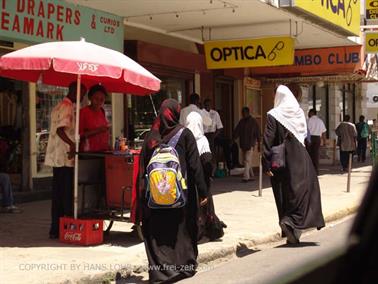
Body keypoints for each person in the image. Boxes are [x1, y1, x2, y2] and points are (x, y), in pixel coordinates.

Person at [136, 99, 208, 283]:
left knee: (157, 233)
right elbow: (195, 167)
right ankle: (183, 266)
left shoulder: (150, 138)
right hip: (180, 198)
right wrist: (203, 192)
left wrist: (140, 199)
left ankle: (160, 272)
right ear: (176, 113)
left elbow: (141, 169)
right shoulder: (185, 134)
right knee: (181, 230)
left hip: (154, 200)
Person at [262, 84, 325, 244]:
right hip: (300, 157)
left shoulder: (273, 114)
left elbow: (268, 138)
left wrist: (265, 162)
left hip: (280, 160)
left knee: (283, 192)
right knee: (304, 191)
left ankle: (288, 222)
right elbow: (305, 136)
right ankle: (292, 225)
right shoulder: (298, 112)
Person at [44, 82, 87, 239]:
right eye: (82, 93)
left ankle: (55, 228)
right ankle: (62, 227)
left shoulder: (59, 105)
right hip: (64, 155)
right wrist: (72, 144)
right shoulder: (67, 107)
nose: (83, 97)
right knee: (65, 193)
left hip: (58, 155)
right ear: (75, 91)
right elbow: (60, 130)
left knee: (58, 194)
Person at [185, 112, 226, 241]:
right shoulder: (202, 140)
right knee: (204, 207)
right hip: (201, 181)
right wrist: (208, 176)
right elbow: (207, 161)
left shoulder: (184, 139)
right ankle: (206, 230)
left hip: (187, 181)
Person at [79, 84, 110, 152]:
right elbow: (79, 135)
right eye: (96, 99)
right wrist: (97, 130)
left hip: (103, 150)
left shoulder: (102, 111)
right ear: (90, 98)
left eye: (102, 99)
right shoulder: (83, 112)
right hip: (89, 152)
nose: (99, 102)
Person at [233, 107, 260, 182]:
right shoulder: (241, 122)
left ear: (248, 113)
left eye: (244, 113)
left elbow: (258, 133)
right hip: (243, 144)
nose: (243, 114)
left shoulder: (253, 122)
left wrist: (259, 144)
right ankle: (252, 175)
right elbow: (237, 131)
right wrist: (233, 139)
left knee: (247, 161)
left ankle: (246, 177)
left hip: (250, 144)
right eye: (242, 113)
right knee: (246, 161)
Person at [307, 109, 327, 174]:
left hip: (310, 138)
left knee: (309, 154)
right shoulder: (320, 121)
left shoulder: (308, 120)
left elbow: (306, 131)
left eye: (309, 113)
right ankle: (316, 170)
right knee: (316, 155)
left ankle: (309, 170)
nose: (308, 114)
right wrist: (324, 141)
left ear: (311, 113)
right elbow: (324, 132)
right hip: (317, 138)